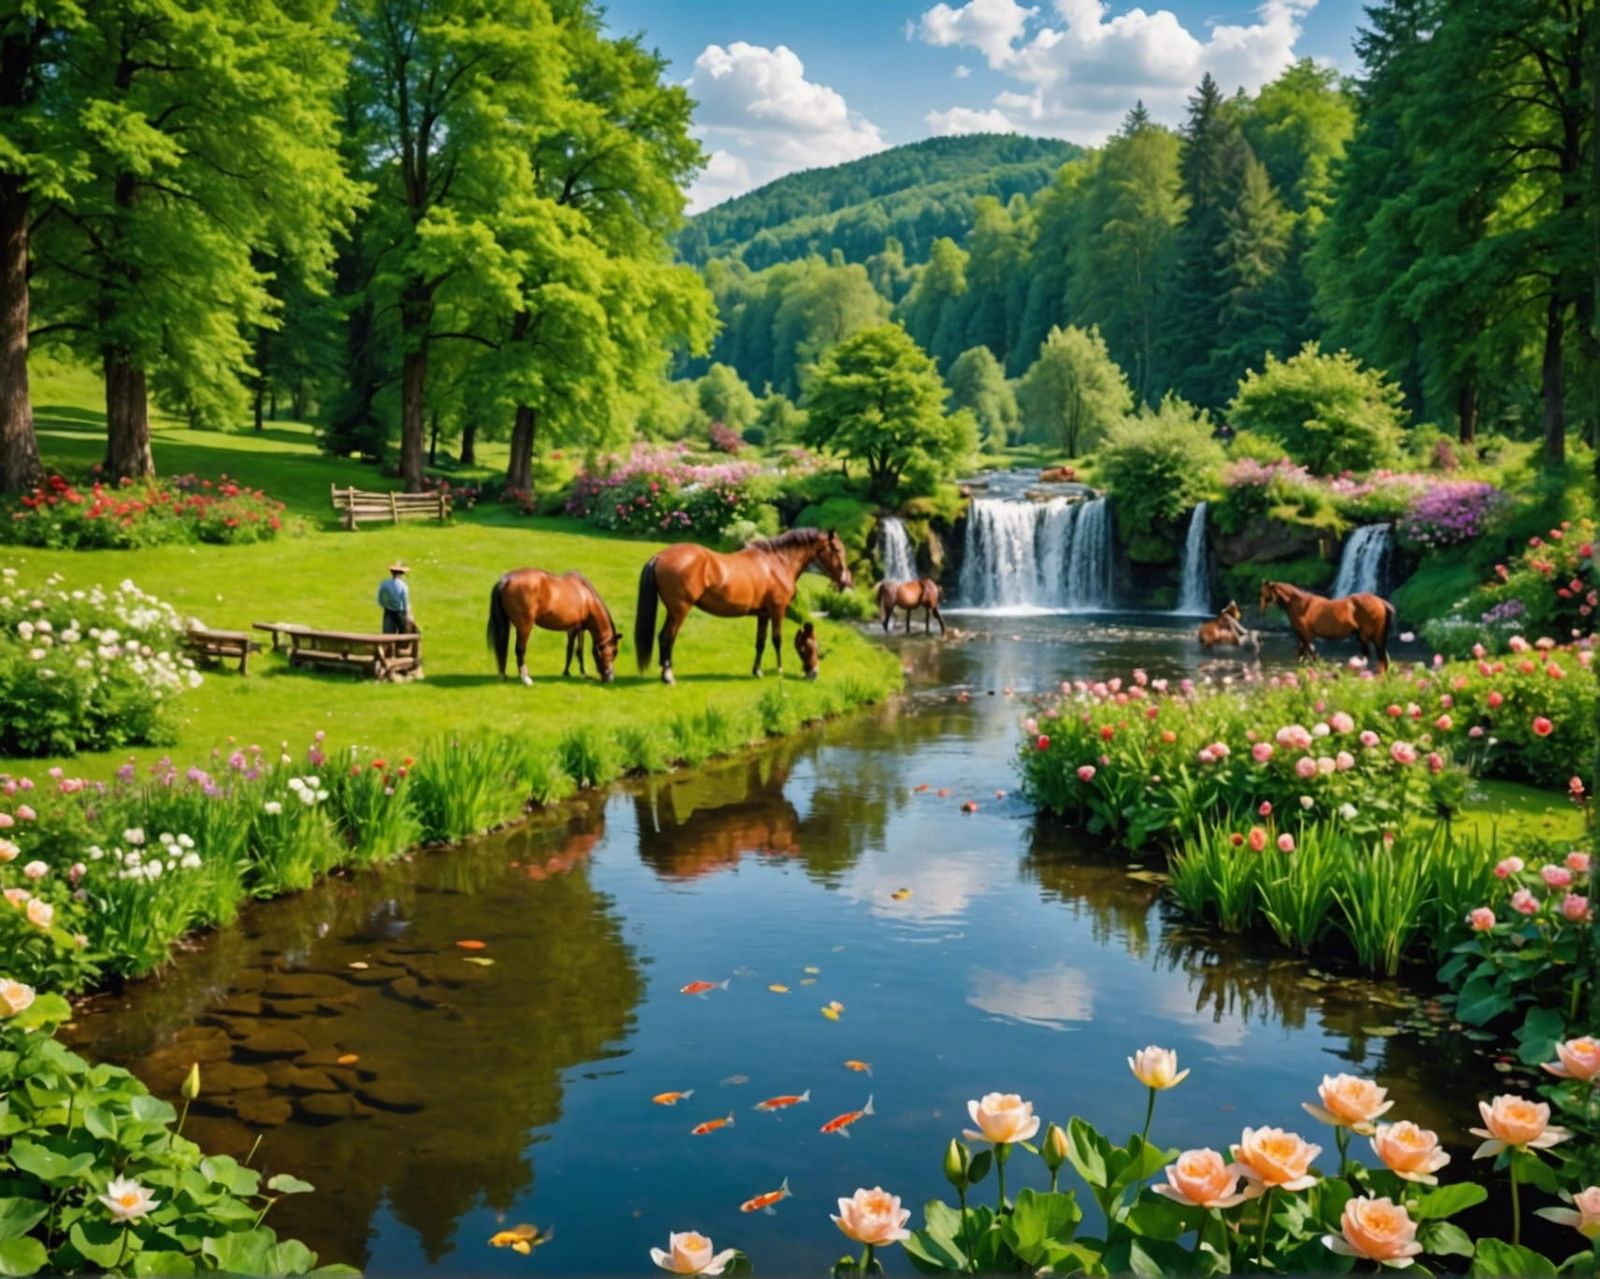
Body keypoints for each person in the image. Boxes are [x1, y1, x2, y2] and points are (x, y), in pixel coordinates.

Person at [378, 562, 412, 634]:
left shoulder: (384, 583)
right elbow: (404, 600)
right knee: (402, 632)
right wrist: (407, 613)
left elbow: (380, 597)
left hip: (388, 610)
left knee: (388, 632)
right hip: (400, 611)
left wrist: (384, 605)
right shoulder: (403, 585)